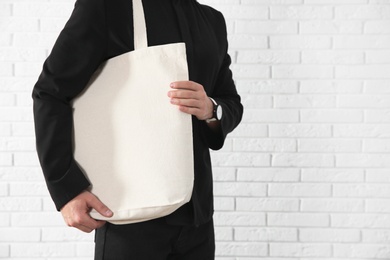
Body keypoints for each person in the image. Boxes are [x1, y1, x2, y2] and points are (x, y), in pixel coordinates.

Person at [32, 0, 243, 259]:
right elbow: (50, 93)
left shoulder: (212, 20)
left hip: (197, 219)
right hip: (130, 215)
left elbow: (231, 102)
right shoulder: (107, 7)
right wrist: (66, 189)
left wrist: (210, 108)